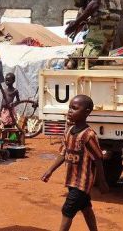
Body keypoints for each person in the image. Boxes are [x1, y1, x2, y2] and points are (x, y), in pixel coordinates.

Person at [41, 95, 109, 231]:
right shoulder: (69, 132)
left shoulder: (88, 135)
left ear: (87, 112)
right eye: (69, 108)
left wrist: (102, 181)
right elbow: (63, 153)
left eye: (74, 108)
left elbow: (98, 159)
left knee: (67, 210)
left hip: (82, 182)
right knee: (85, 207)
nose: (70, 111)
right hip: (71, 180)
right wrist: (50, 170)